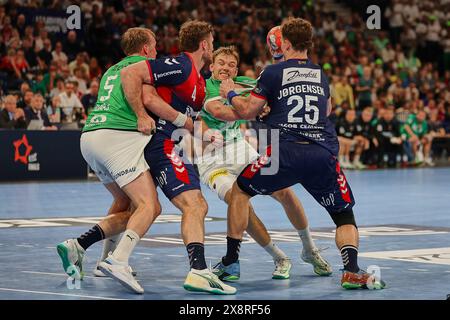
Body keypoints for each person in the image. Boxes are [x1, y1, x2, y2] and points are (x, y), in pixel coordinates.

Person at [219, 17, 385, 290]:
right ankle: (352, 270)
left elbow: (248, 111)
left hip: (284, 152)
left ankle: (230, 262)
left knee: (239, 193)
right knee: (344, 215)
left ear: (284, 43)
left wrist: (230, 93)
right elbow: (327, 110)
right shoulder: (321, 74)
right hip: (322, 152)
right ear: (310, 43)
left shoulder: (272, 73)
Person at [56, 27, 193, 294]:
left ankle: (90, 252)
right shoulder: (145, 65)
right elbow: (148, 98)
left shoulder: (111, 69)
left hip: (90, 137)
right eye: (153, 45)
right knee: (149, 206)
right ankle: (117, 261)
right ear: (145, 48)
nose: (156, 50)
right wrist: (160, 117)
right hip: (117, 137)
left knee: (124, 203)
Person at [119, 20, 236, 295]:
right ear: (205, 44)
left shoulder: (196, 77)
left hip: (177, 144)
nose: (214, 46)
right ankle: (197, 272)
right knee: (194, 205)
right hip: (162, 143)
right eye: (212, 41)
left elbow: (190, 119)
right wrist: (141, 115)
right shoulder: (181, 65)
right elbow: (130, 75)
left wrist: (205, 135)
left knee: (182, 206)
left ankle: (87, 248)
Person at [199, 46, 331, 281]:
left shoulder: (242, 82)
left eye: (231, 64)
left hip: (240, 149)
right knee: (238, 202)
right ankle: (279, 257)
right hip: (211, 157)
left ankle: (309, 249)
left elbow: (271, 90)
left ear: (236, 69)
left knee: (284, 192)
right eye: (221, 63)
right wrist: (255, 109)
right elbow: (224, 113)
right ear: (211, 66)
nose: (226, 68)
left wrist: (264, 103)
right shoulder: (203, 88)